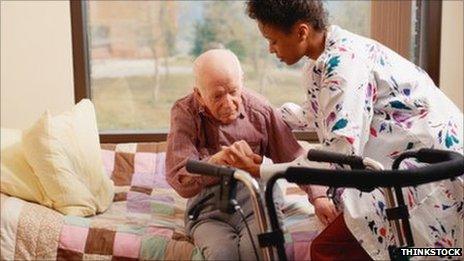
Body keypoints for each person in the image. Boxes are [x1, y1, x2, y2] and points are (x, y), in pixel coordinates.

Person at [245, 0, 463, 259]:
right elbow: (315, 114)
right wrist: (255, 112)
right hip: (411, 169)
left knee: (329, 250)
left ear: (301, 32)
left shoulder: (343, 65)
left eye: (273, 40)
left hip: (429, 173)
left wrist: (263, 170)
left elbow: (341, 153)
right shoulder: (325, 58)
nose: (270, 49)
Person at [165, 49, 323, 260]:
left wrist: (319, 196)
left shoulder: (260, 110)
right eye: (218, 96)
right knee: (222, 255)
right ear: (199, 95)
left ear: (242, 82)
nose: (229, 103)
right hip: (208, 211)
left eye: (233, 91)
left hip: (256, 201)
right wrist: (215, 163)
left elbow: (293, 157)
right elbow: (179, 178)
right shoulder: (184, 112)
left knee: (259, 252)